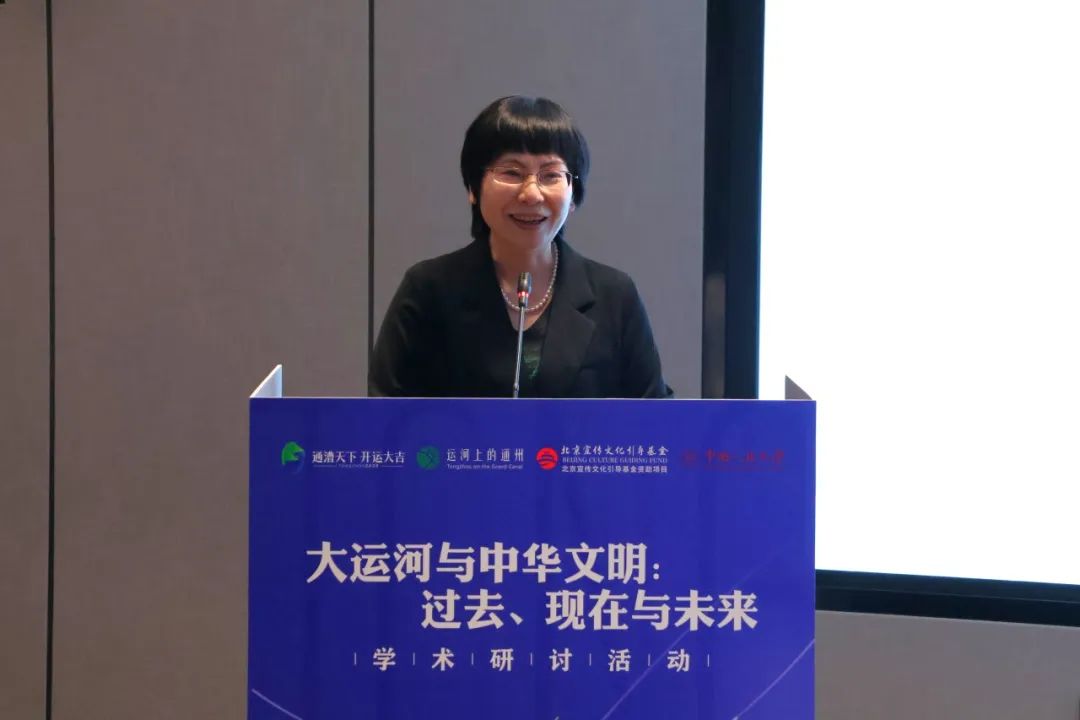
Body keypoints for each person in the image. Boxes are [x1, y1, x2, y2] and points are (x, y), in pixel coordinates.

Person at [369, 95, 672, 399]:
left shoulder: (614, 296)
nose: (531, 194)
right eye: (512, 173)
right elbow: (383, 413)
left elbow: (657, 416)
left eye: (550, 175)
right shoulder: (429, 290)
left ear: (573, 194)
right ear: (473, 188)